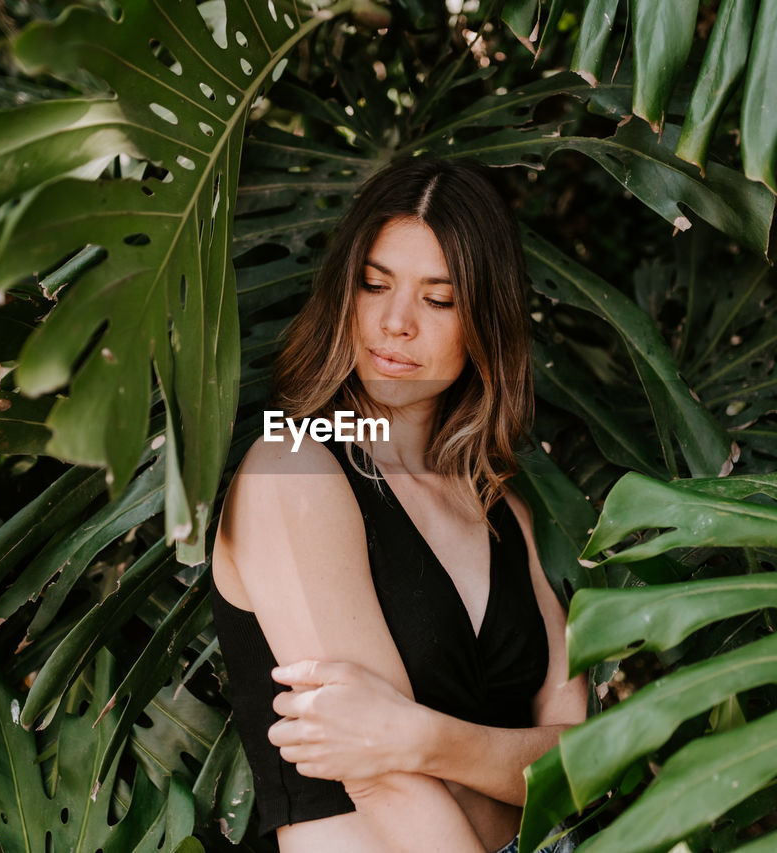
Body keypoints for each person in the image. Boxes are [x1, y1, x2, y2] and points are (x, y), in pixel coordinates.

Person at [208, 155, 588, 853]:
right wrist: (490, 755)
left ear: (486, 321)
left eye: (438, 300)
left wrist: (426, 736)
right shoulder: (292, 468)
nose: (395, 323)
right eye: (374, 285)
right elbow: (379, 779)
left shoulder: (505, 502)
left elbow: (583, 759)